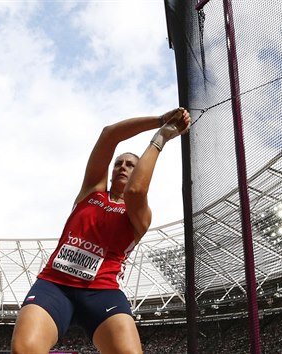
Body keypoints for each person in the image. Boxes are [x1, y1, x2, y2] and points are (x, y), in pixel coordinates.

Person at [11, 107, 191, 354]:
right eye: (118, 163)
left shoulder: (138, 214)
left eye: (130, 165)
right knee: (25, 349)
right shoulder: (91, 192)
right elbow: (108, 135)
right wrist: (159, 120)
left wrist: (162, 137)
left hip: (102, 292)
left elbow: (136, 191)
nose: (122, 167)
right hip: (55, 285)